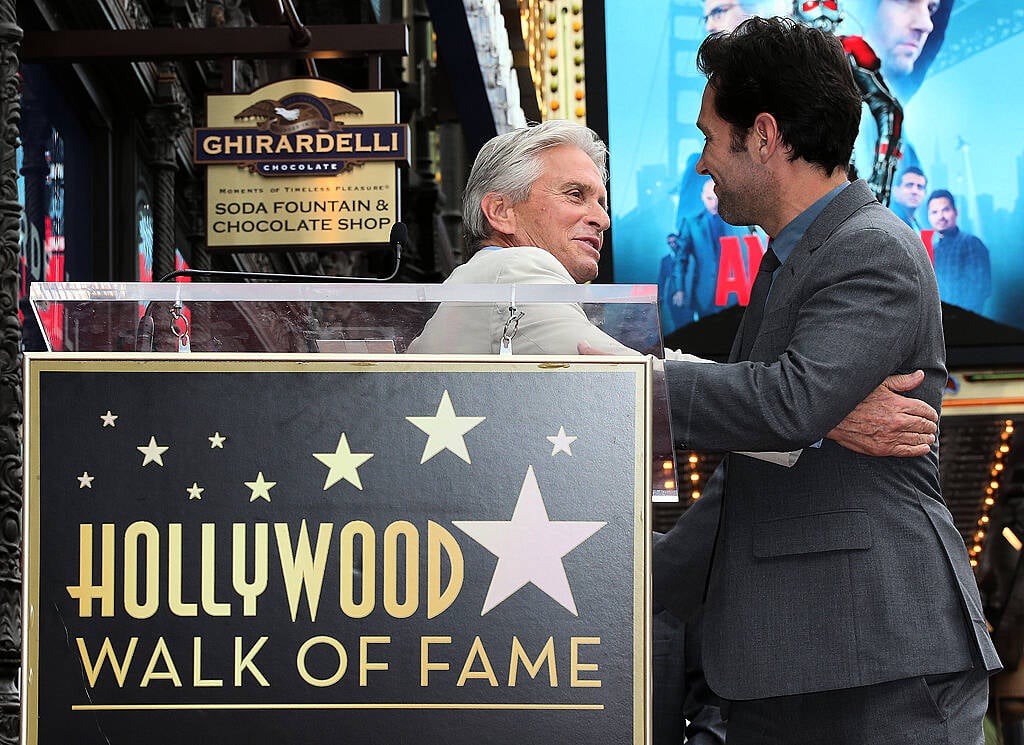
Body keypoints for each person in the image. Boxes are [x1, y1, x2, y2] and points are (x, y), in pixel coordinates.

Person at [408, 118, 944, 743]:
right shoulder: (513, 273)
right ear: (500, 210)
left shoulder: (502, 290)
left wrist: (804, 403)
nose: (602, 219)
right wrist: (816, 407)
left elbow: (636, 369)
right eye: (575, 195)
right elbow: (613, 369)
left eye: (602, 200)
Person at [644, 17, 1000, 744]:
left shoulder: (871, 248)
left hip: (877, 666)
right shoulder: (790, 260)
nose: (704, 160)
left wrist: (632, 386)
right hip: (793, 663)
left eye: (712, 136)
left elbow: (786, 403)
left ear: (766, 136)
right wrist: (632, 584)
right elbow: (770, 443)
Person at [927, 188, 992, 315]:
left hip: (965, 323)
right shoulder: (933, 250)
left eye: (946, 210)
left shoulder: (971, 243)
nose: (940, 217)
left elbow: (981, 289)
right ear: (929, 217)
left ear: (956, 212)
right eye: (934, 212)